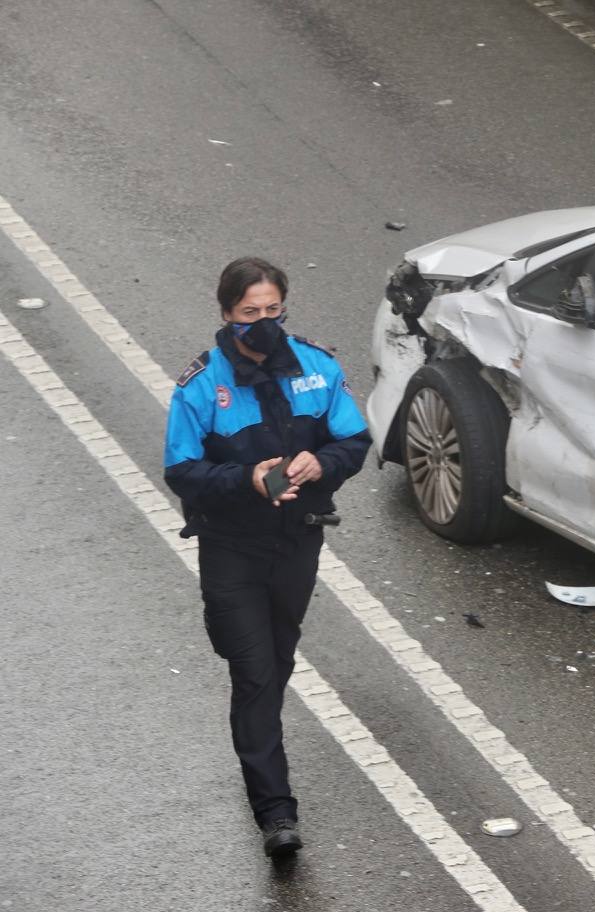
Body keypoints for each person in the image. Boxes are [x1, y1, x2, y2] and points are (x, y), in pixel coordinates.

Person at [163, 257, 371, 858]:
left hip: (299, 541)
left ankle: (257, 746)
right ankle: (276, 811)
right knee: (254, 673)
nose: (262, 322)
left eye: (272, 311)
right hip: (231, 548)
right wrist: (246, 479)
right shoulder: (201, 386)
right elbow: (182, 471)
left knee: (276, 663)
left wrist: (320, 464)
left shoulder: (317, 365)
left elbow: (353, 440)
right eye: (249, 313)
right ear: (227, 314)